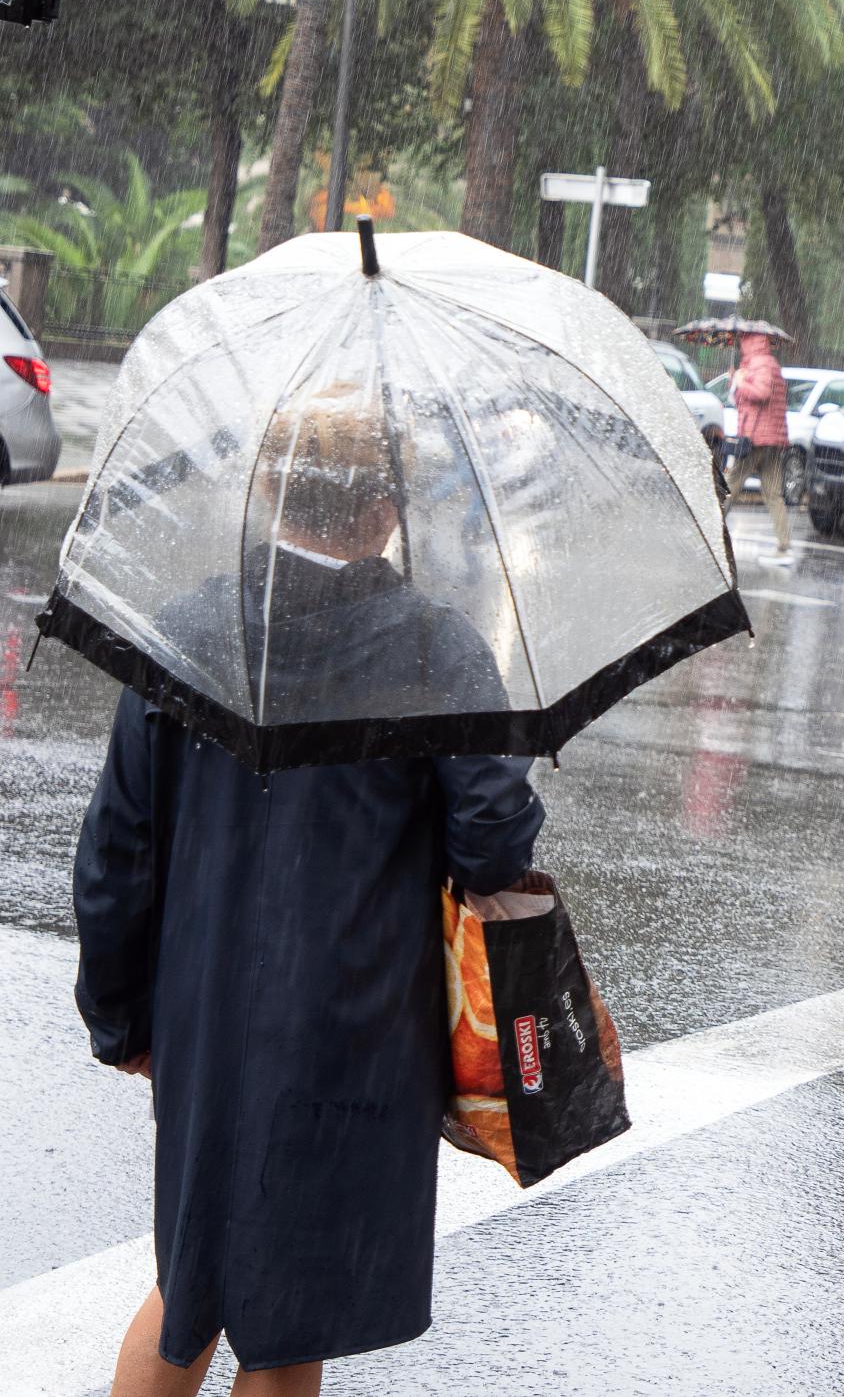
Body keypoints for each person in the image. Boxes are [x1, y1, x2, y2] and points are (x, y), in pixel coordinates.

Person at [76, 388, 547, 1397]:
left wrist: (121, 1018)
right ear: (387, 511)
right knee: (293, 1318)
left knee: (189, 1276)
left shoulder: (186, 632)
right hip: (353, 1026)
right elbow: (493, 845)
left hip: (201, 1016)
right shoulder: (433, 650)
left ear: (272, 491)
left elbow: (118, 849)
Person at [727, 331, 794, 566]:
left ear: (749, 342)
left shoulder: (761, 364)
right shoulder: (764, 363)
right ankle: (784, 547)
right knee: (773, 492)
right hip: (771, 438)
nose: (740, 344)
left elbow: (761, 393)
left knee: (730, 486)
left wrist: (741, 382)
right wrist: (736, 381)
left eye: (743, 340)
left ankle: (710, 533)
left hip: (757, 437)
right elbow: (744, 399)